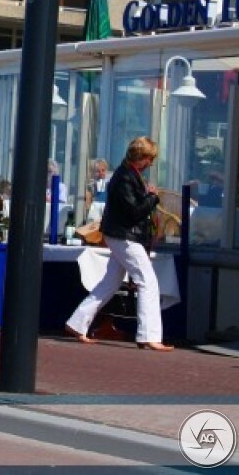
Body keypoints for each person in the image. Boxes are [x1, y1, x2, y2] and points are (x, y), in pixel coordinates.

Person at [64, 136, 173, 352]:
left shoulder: (127, 175)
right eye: (150, 159)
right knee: (147, 280)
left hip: (119, 235)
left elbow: (132, 208)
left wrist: (146, 196)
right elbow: (134, 212)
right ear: (141, 157)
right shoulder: (125, 178)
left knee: (110, 282)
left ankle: (77, 323)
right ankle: (148, 335)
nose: (151, 163)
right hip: (125, 236)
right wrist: (152, 197)